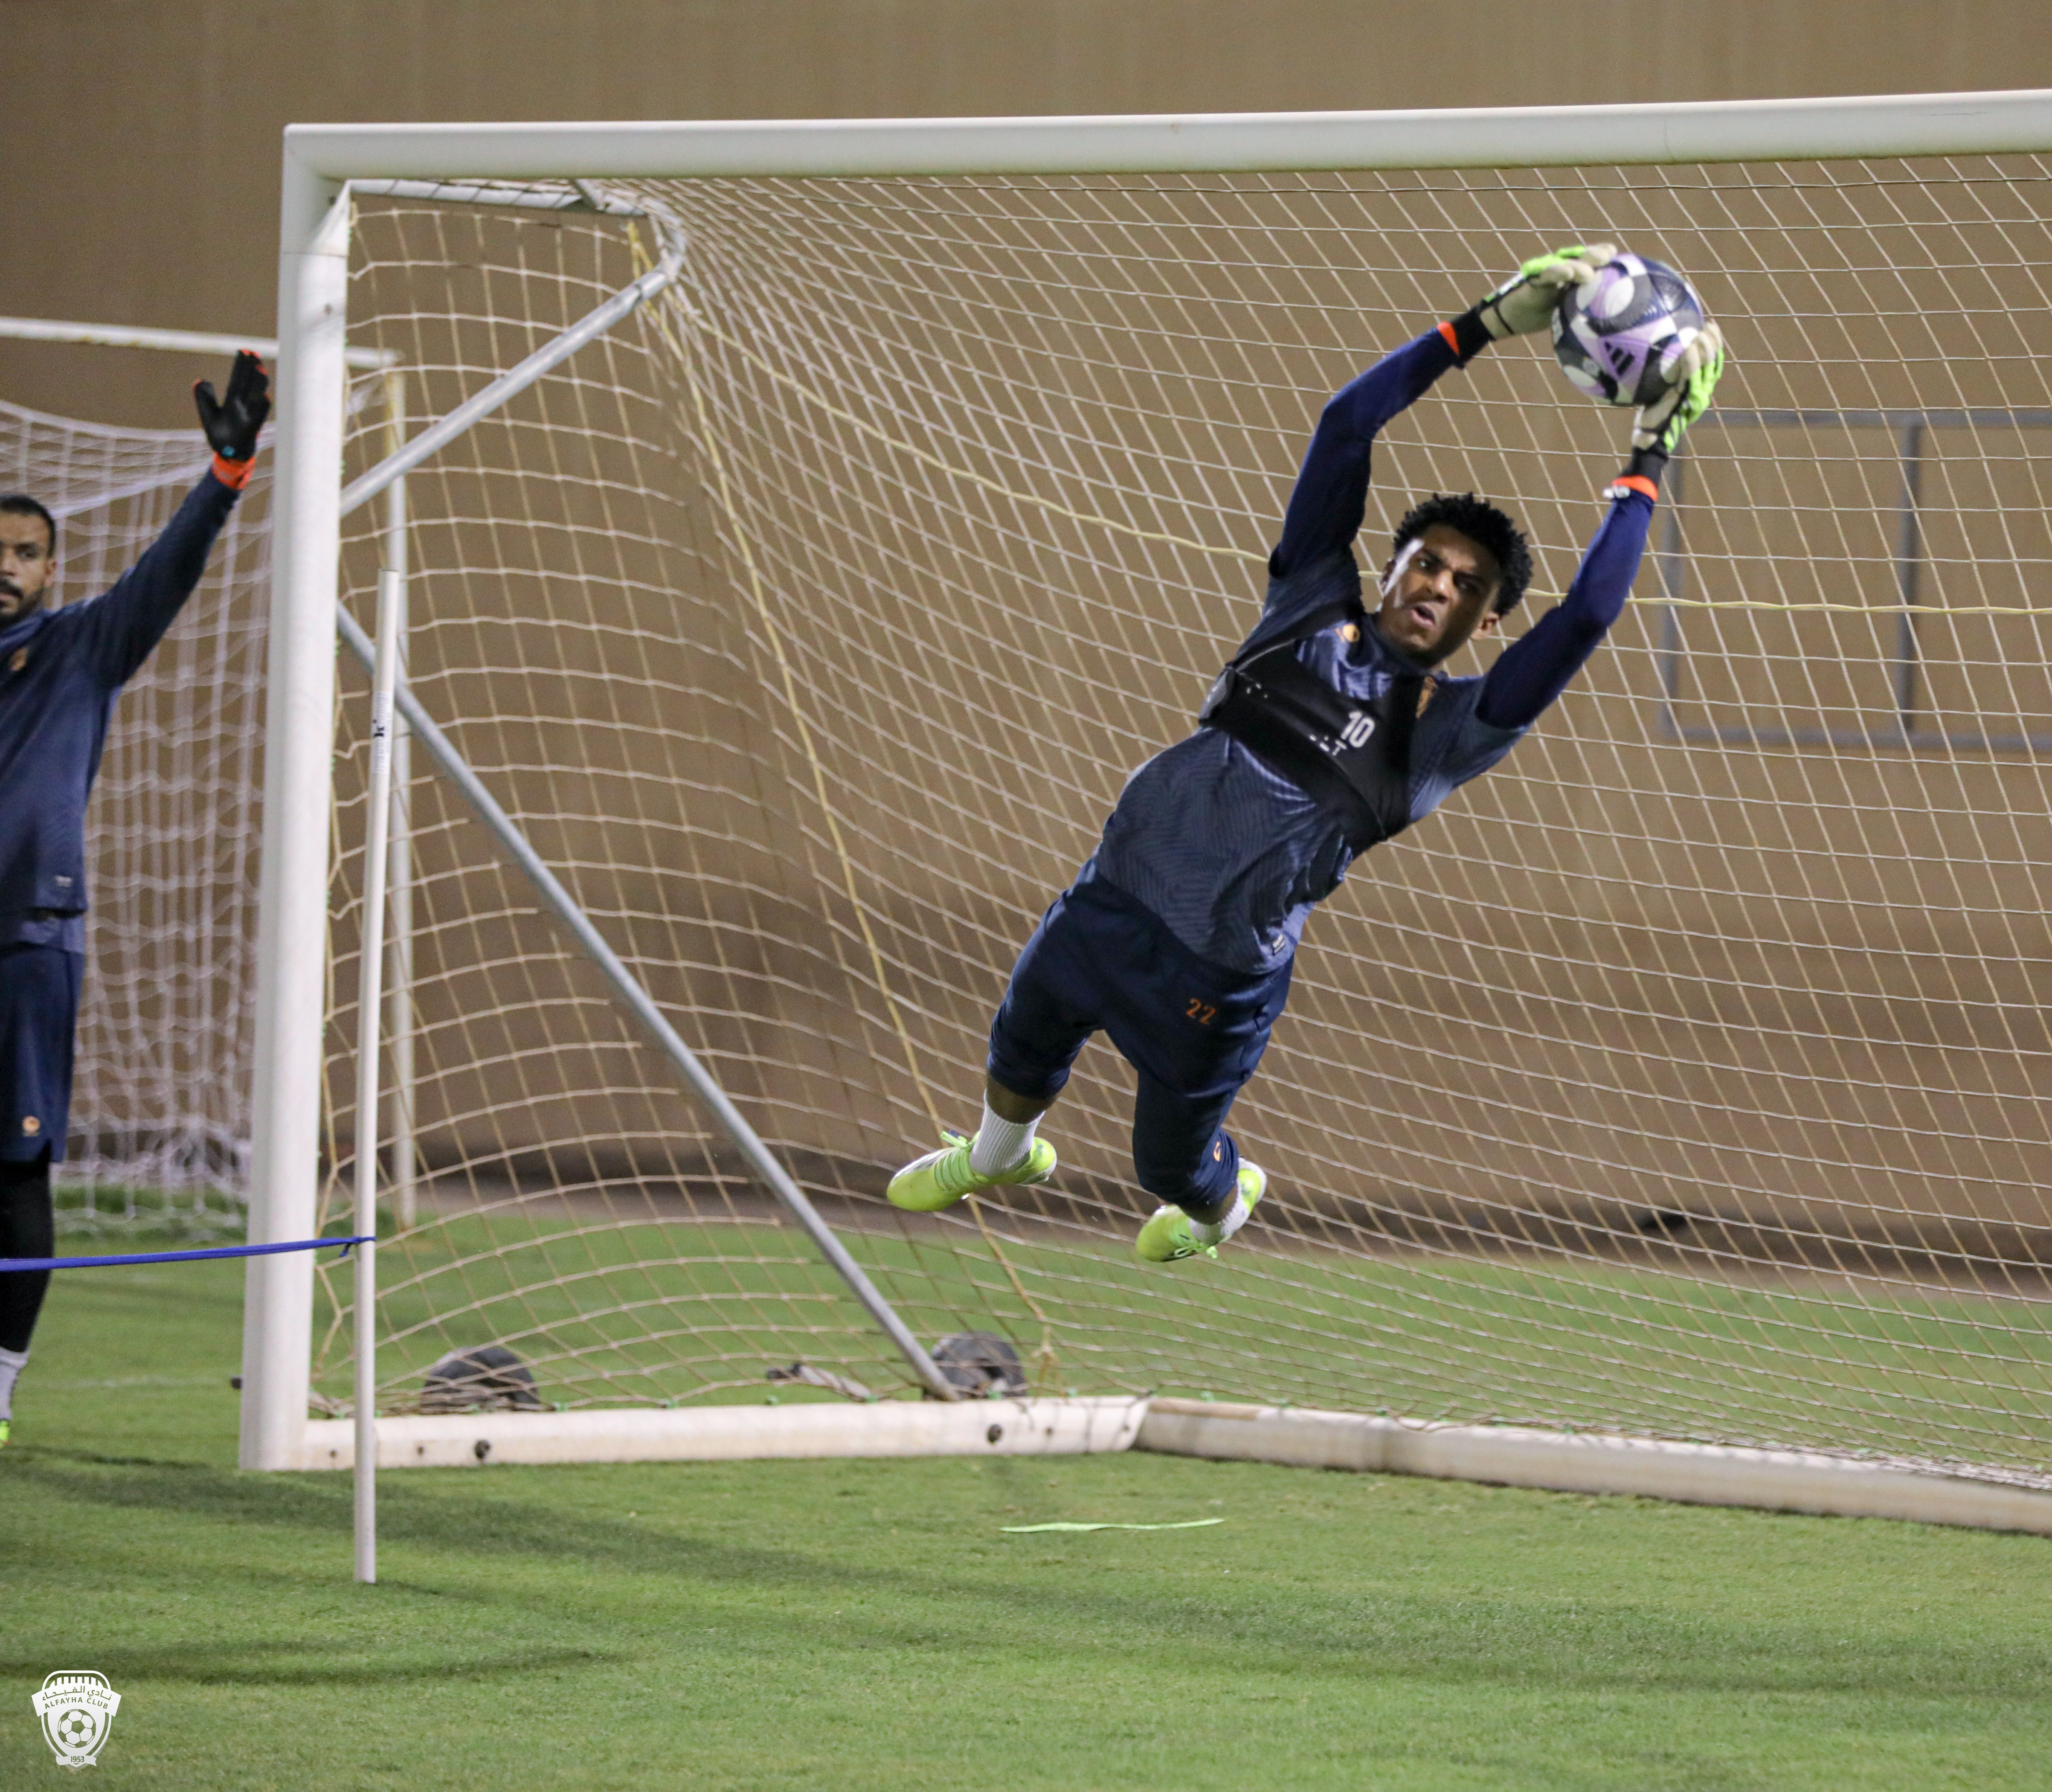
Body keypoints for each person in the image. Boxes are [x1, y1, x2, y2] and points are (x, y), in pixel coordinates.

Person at [886, 246, 1724, 1263]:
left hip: (1219, 974)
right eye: (1428, 563)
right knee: (1021, 1042)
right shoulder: (1305, 607)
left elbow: (1590, 614)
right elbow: (1346, 426)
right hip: (1113, 891)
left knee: (1168, 1168)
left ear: (1489, 618)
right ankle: (998, 1153)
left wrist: (1649, 454)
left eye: (1468, 585)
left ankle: (1220, 1201)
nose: (1440, 586)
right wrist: (1480, 326)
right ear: (1392, 567)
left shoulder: (1449, 732)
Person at [0, 351, 270, 1445]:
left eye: (24, 552)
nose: (5, 566)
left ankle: (1, 1384)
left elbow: (164, 573)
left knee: (14, 1167)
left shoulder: (78, 649)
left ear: (52, 568)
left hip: (26, 947)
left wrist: (225, 475)